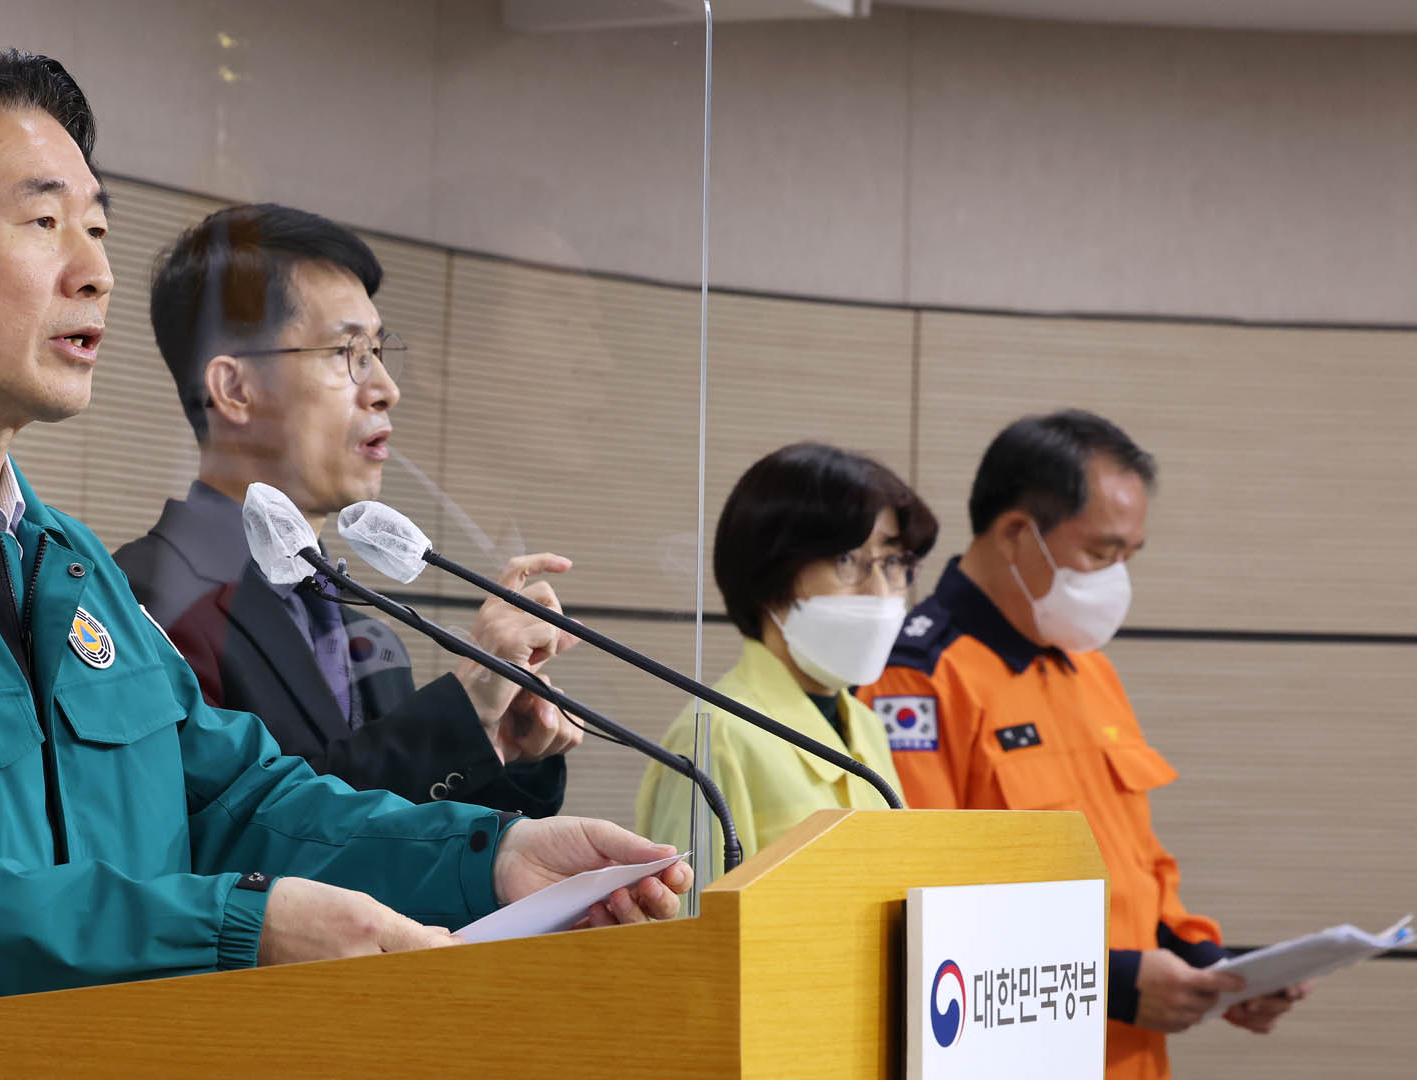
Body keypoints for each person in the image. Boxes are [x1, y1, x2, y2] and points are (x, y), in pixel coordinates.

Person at [0, 50, 689, 1079]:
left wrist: (490, 858)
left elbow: (240, 803)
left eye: (98, 228)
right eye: (43, 221)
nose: (94, 270)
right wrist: (245, 925)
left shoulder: (64, 562)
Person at [859, 410, 1306, 1080]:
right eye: (1100, 554)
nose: (1115, 579)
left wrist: (1213, 969)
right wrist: (1116, 983)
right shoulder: (917, 678)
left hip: (1129, 1057)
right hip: (1011, 1056)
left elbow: (1140, 868)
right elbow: (919, 913)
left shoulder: (1088, 669)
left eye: (1129, 557)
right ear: (1017, 533)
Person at [115, 203, 578, 814]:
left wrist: (503, 743)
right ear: (234, 389)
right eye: (348, 353)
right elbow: (244, 830)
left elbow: (412, 837)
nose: (386, 388)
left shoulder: (369, 631)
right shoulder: (142, 601)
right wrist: (460, 710)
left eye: (379, 352)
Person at [636, 444, 933, 877]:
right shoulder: (716, 737)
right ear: (770, 575)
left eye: (891, 562)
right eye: (847, 559)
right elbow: (689, 916)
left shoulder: (865, 724)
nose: (880, 591)